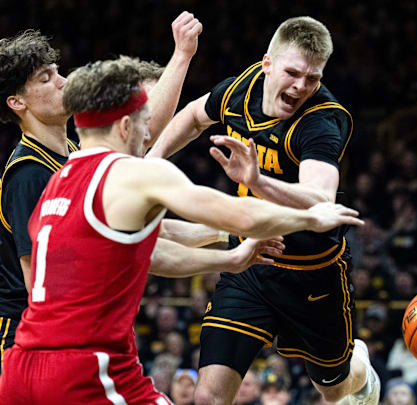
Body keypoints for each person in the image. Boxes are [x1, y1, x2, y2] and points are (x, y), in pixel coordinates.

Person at [0, 56, 363, 404]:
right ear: (126, 126)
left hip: (20, 366)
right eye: (146, 122)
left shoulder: (59, 177)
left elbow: (152, 249)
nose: (152, 137)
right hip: (84, 366)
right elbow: (239, 214)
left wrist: (230, 254)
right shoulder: (129, 173)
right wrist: (310, 217)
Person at [148, 16, 380, 405]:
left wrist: (258, 181)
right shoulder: (244, 87)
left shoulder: (323, 119)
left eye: (312, 78)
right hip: (250, 264)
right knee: (208, 398)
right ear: (267, 63)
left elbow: (321, 200)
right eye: (293, 73)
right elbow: (192, 115)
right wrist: (149, 161)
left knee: (334, 388)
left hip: (312, 274)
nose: (301, 86)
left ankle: (362, 366)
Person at [0, 11, 203, 374]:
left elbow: (143, 129)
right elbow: (40, 284)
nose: (62, 83)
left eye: (58, 72)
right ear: (18, 102)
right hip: (26, 341)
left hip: (68, 338)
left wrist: (226, 238)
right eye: (46, 79)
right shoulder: (28, 174)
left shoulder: (76, 155)